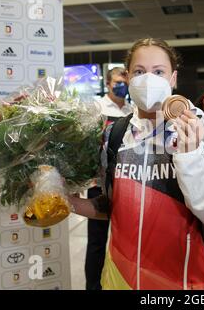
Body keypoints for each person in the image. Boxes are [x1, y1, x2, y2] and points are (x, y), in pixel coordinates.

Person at [69, 38, 204, 290]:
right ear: (128, 77)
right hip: (119, 279)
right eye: (139, 72)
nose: (148, 79)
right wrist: (67, 201)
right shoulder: (115, 133)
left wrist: (188, 156)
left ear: (173, 78)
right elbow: (113, 206)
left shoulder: (199, 129)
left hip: (182, 282)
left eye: (158, 72)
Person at [85, 67, 134, 290]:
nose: (121, 85)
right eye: (117, 81)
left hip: (126, 186)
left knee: (126, 240)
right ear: (107, 83)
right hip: (99, 185)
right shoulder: (96, 109)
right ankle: (93, 287)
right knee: (96, 243)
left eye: (125, 80)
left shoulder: (133, 110)